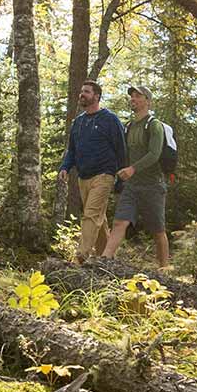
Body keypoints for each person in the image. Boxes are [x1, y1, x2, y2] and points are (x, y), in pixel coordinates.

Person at [102, 86, 171, 268]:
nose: (133, 99)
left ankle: (164, 269)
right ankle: (105, 260)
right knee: (119, 222)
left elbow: (154, 154)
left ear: (147, 101)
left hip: (153, 186)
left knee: (158, 230)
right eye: (132, 96)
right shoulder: (129, 126)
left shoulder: (154, 125)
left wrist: (133, 168)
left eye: (138, 96)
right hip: (131, 186)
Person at [58, 80, 127, 263]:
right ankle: (106, 259)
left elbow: (121, 148)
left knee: (90, 214)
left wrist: (121, 177)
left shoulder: (110, 119)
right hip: (83, 176)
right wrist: (65, 166)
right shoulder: (78, 122)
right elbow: (72, 149)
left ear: (96, 96)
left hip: (104, 174)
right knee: (98, 217)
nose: (82, 94)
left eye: (86, 92)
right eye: (81, 91)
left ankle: (80, 256)